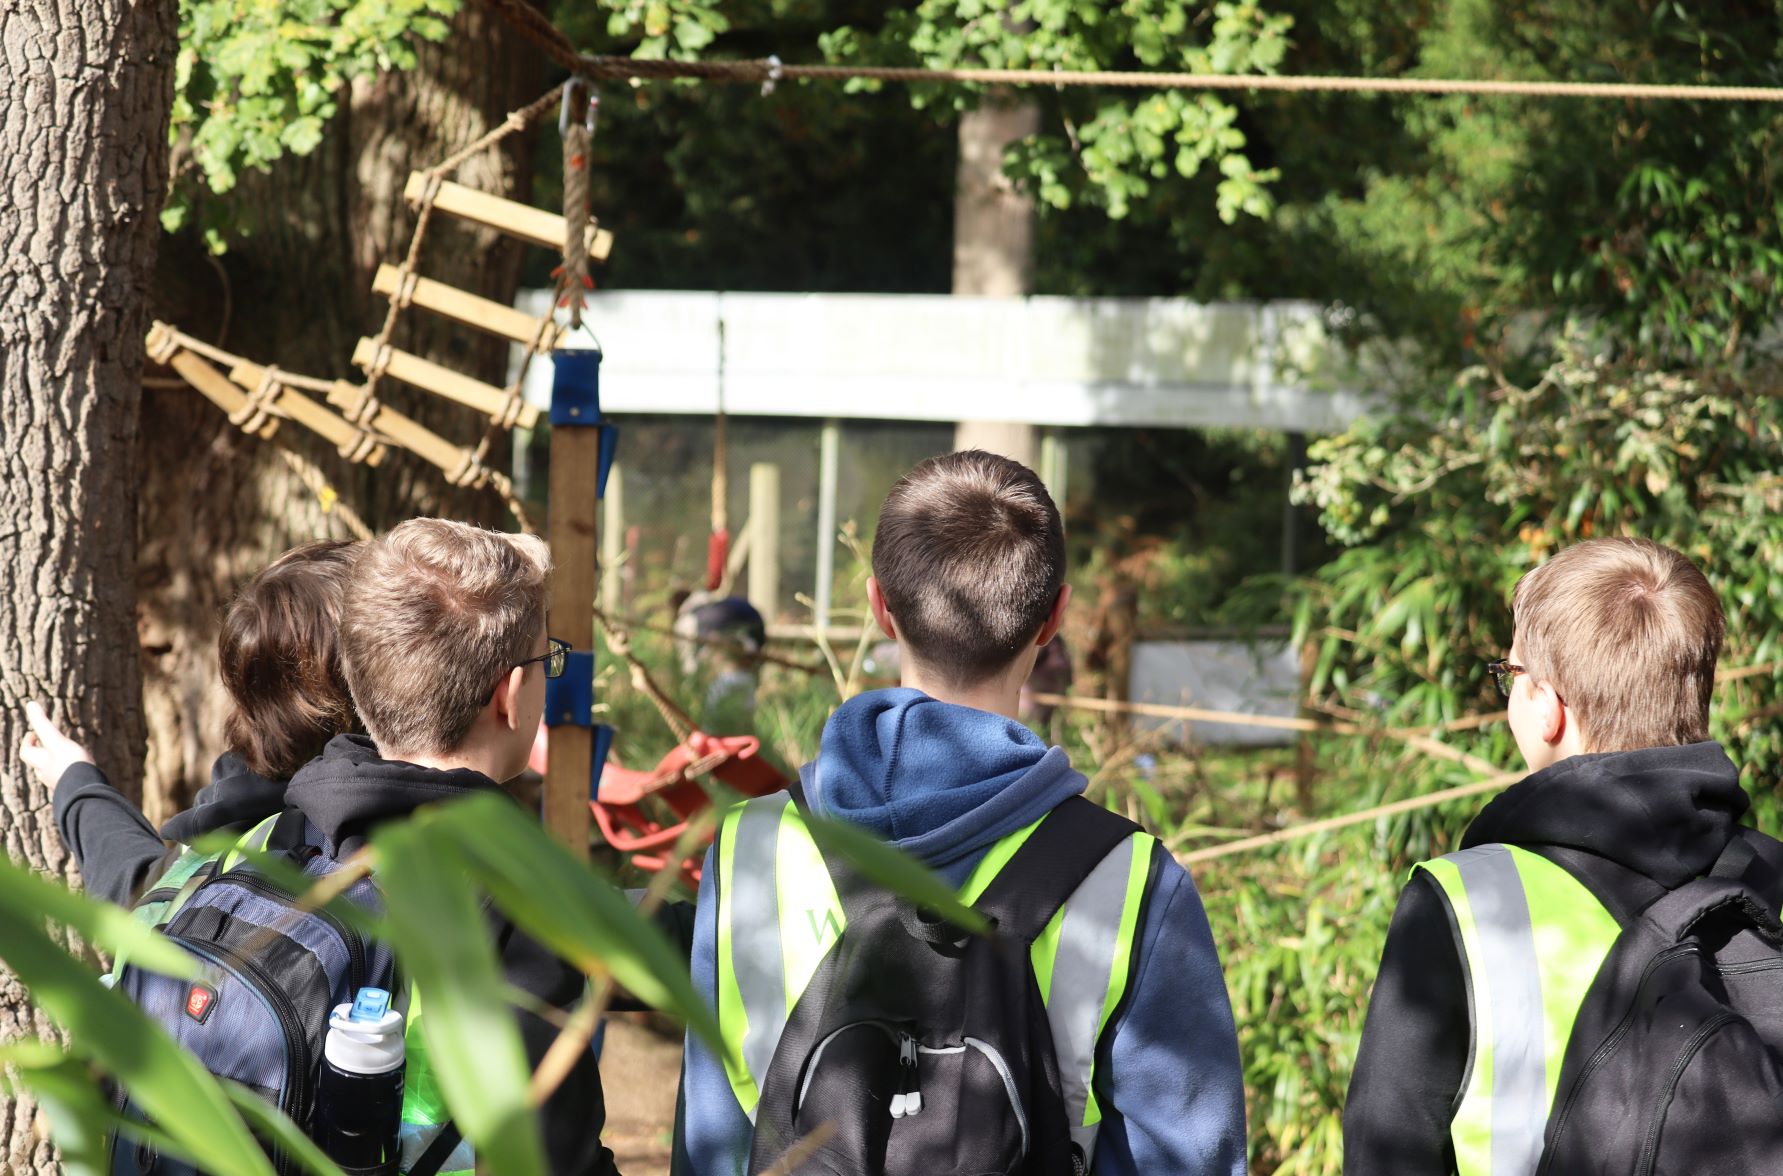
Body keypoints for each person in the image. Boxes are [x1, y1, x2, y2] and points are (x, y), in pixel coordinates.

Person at [677, 451, 1247, 1175]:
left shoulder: (749, 848)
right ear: (1053, 619)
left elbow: (711, 1142)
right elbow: (1186, 1159)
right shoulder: (1132, 881)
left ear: (878, 605)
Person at [1343, 537, 1775, 1175]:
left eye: (1510, 674)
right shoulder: (1770, 878)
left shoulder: (1468, 904)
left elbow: (1387, 1153)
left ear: (1547, 707)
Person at [285, 517, 617, 1173]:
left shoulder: (282, 831)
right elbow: (553, 1155)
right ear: (512, 695)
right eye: (548, 658)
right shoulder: (517, 897)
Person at [23, 539, 359, 907]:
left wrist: (74, 782)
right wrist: (76, 781)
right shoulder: (409, 818)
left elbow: (143, 895)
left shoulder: (234, 835)